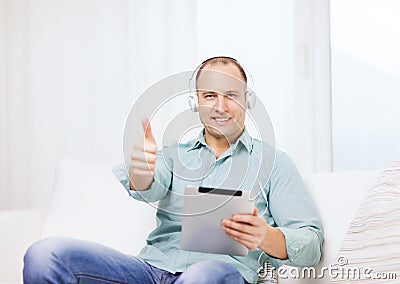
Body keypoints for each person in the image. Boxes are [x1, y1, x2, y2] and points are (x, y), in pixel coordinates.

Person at [23, 56, 323, 284]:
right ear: (197, 104)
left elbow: (311, 244)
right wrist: (143, 171)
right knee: (45, 254)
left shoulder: (276, 164)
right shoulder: (172, 156)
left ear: (248, 100)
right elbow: (149, 185)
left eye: (231, 95)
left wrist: (266, 237)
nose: (221, 106)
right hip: (152, 270)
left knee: (200, 276)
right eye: (210, 96)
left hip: (220, 273)